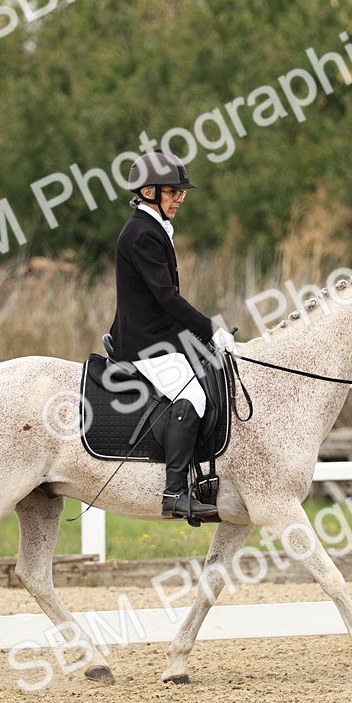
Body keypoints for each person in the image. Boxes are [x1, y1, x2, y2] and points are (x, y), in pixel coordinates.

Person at [109, 151, 235, 520]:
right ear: (149, 191)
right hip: (145, 343)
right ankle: (175, 493)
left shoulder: (153, 227)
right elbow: (167, 297)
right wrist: (210, 330)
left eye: (181, 192)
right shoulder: (142, 233)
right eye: (173, 192)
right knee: (192, 396)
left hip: (161, 334)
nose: (180, 198)